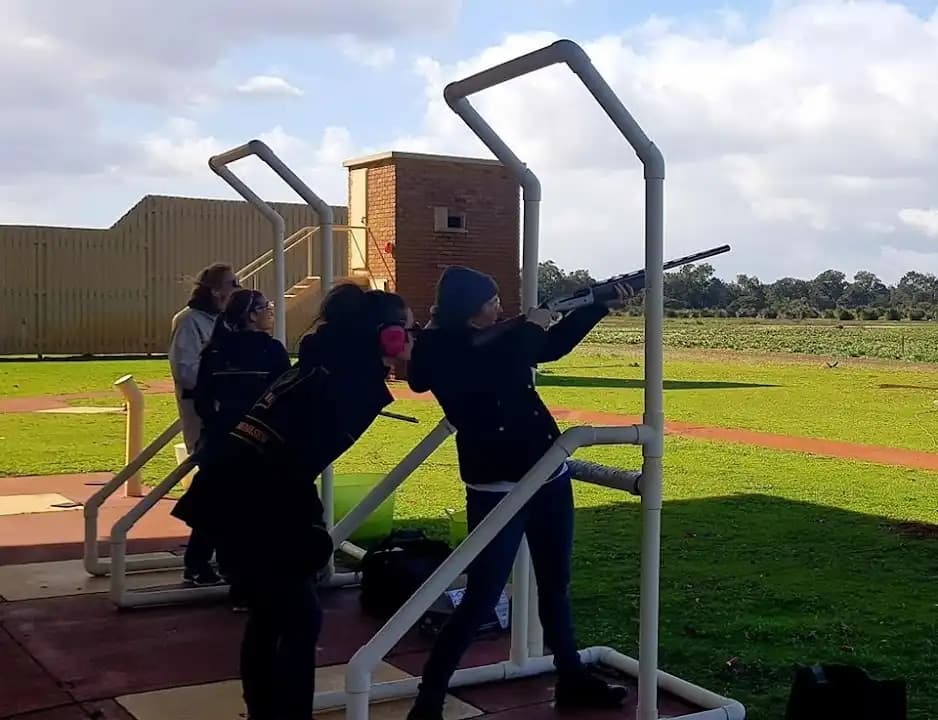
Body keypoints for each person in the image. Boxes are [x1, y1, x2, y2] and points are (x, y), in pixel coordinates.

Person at [172, 282, 416, 720]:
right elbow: (290, 463)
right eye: (407, 331)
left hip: (231, 488)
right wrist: (306, 531)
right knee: (297, 620)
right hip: (254, 497)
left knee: (271, 618)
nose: (412, 339)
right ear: (387, 336)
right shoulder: (348, 385)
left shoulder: (321, 365)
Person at [404, 266, 632, 720]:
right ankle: (429, 699)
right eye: (491, 301)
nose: (499, 308)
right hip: (496, 485)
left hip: (547, 474)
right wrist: (532, 325)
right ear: (470, 308)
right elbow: (491, 368)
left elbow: (550, 348)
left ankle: (571, 679)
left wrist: (596, 307)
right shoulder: (440, 348)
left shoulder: (493, 339)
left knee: (556, 586)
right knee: (482, 597)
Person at [181, 288, 291, 590]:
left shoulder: (215, 350)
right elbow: (284, 393)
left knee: (214, 501)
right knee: (249, 510)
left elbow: (202, 400)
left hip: (220, 439)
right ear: (252, 315)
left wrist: (218, 425)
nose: (270, 312)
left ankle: (198, 564)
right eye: (265, 307)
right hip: (256, 440)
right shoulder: (271, 350)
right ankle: (239, 577)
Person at [168, 262, 240, 454]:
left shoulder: (226, 320)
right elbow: (186, 372)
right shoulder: (188, 321)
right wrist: (222, 383)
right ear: (216, 291)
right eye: (233, 283)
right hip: (202, 412)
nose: (238, 288)